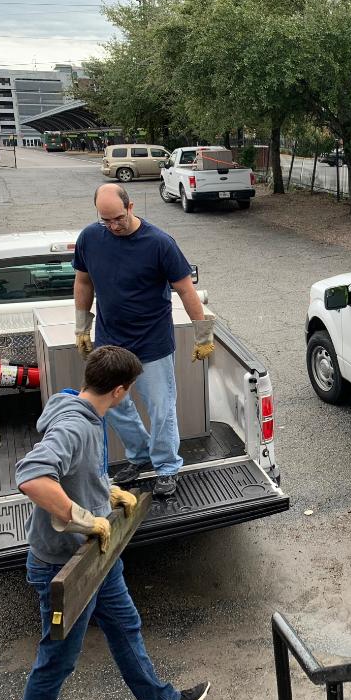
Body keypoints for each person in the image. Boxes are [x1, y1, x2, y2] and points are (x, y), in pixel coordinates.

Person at [15, 346, 211, 700]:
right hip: (64, 566)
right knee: (56, 663)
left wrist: (106, 490)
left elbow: (80, 471)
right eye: (131, 389)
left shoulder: (87, 410)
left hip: (96, 556)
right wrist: (84, 518)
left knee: (125, 628)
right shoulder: (75, 424)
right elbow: (32, 478)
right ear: (119, 391)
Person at [74, 183, 216, 498]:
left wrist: (202, 334)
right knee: (114, 405)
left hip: (152, 342)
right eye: (105, 220)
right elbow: (83, 280)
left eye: (118, 219)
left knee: (161, 408)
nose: (112, 226)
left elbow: (185, 289)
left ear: (131, 207)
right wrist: (82, 325)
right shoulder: (90, 239)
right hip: (110, 341)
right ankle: (140, 456)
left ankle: (167, 468)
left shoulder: (159, 243)